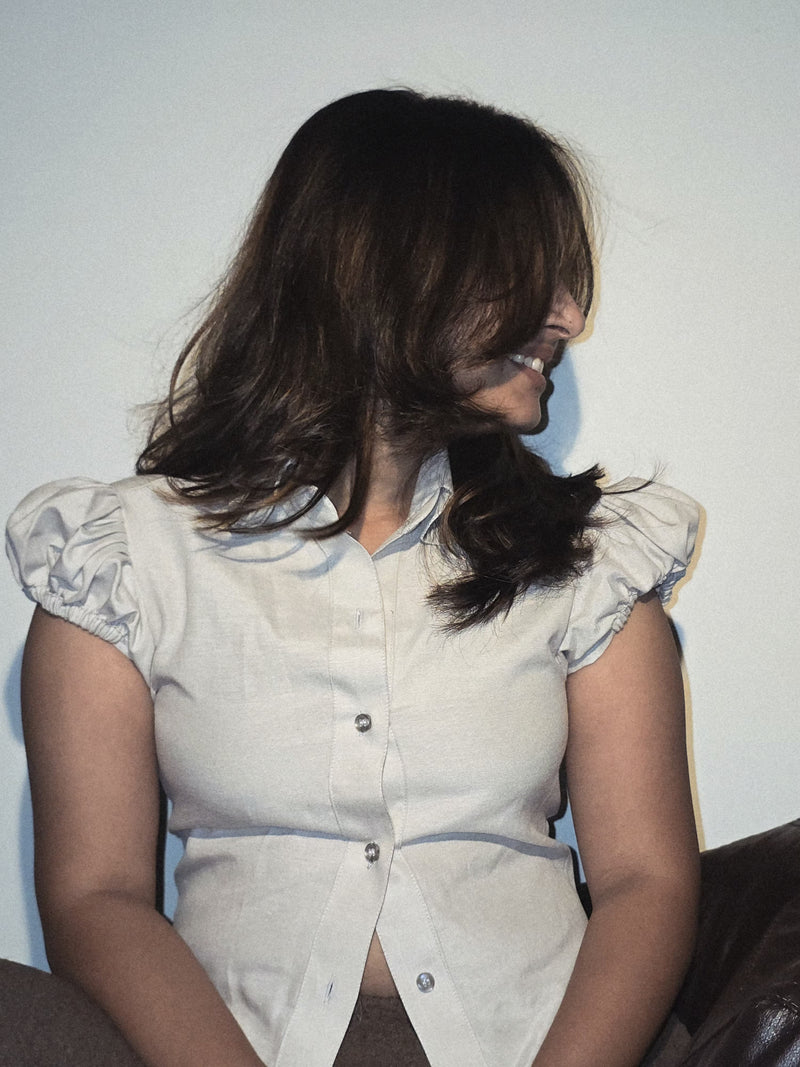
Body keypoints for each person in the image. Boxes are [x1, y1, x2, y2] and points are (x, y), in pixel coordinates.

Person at [6, 88, 700, 1067]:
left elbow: (645, 883)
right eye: (528, 272)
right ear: (393, 270)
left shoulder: (590, 561)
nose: (570, 317)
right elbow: (96, 896)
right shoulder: (121, 560)